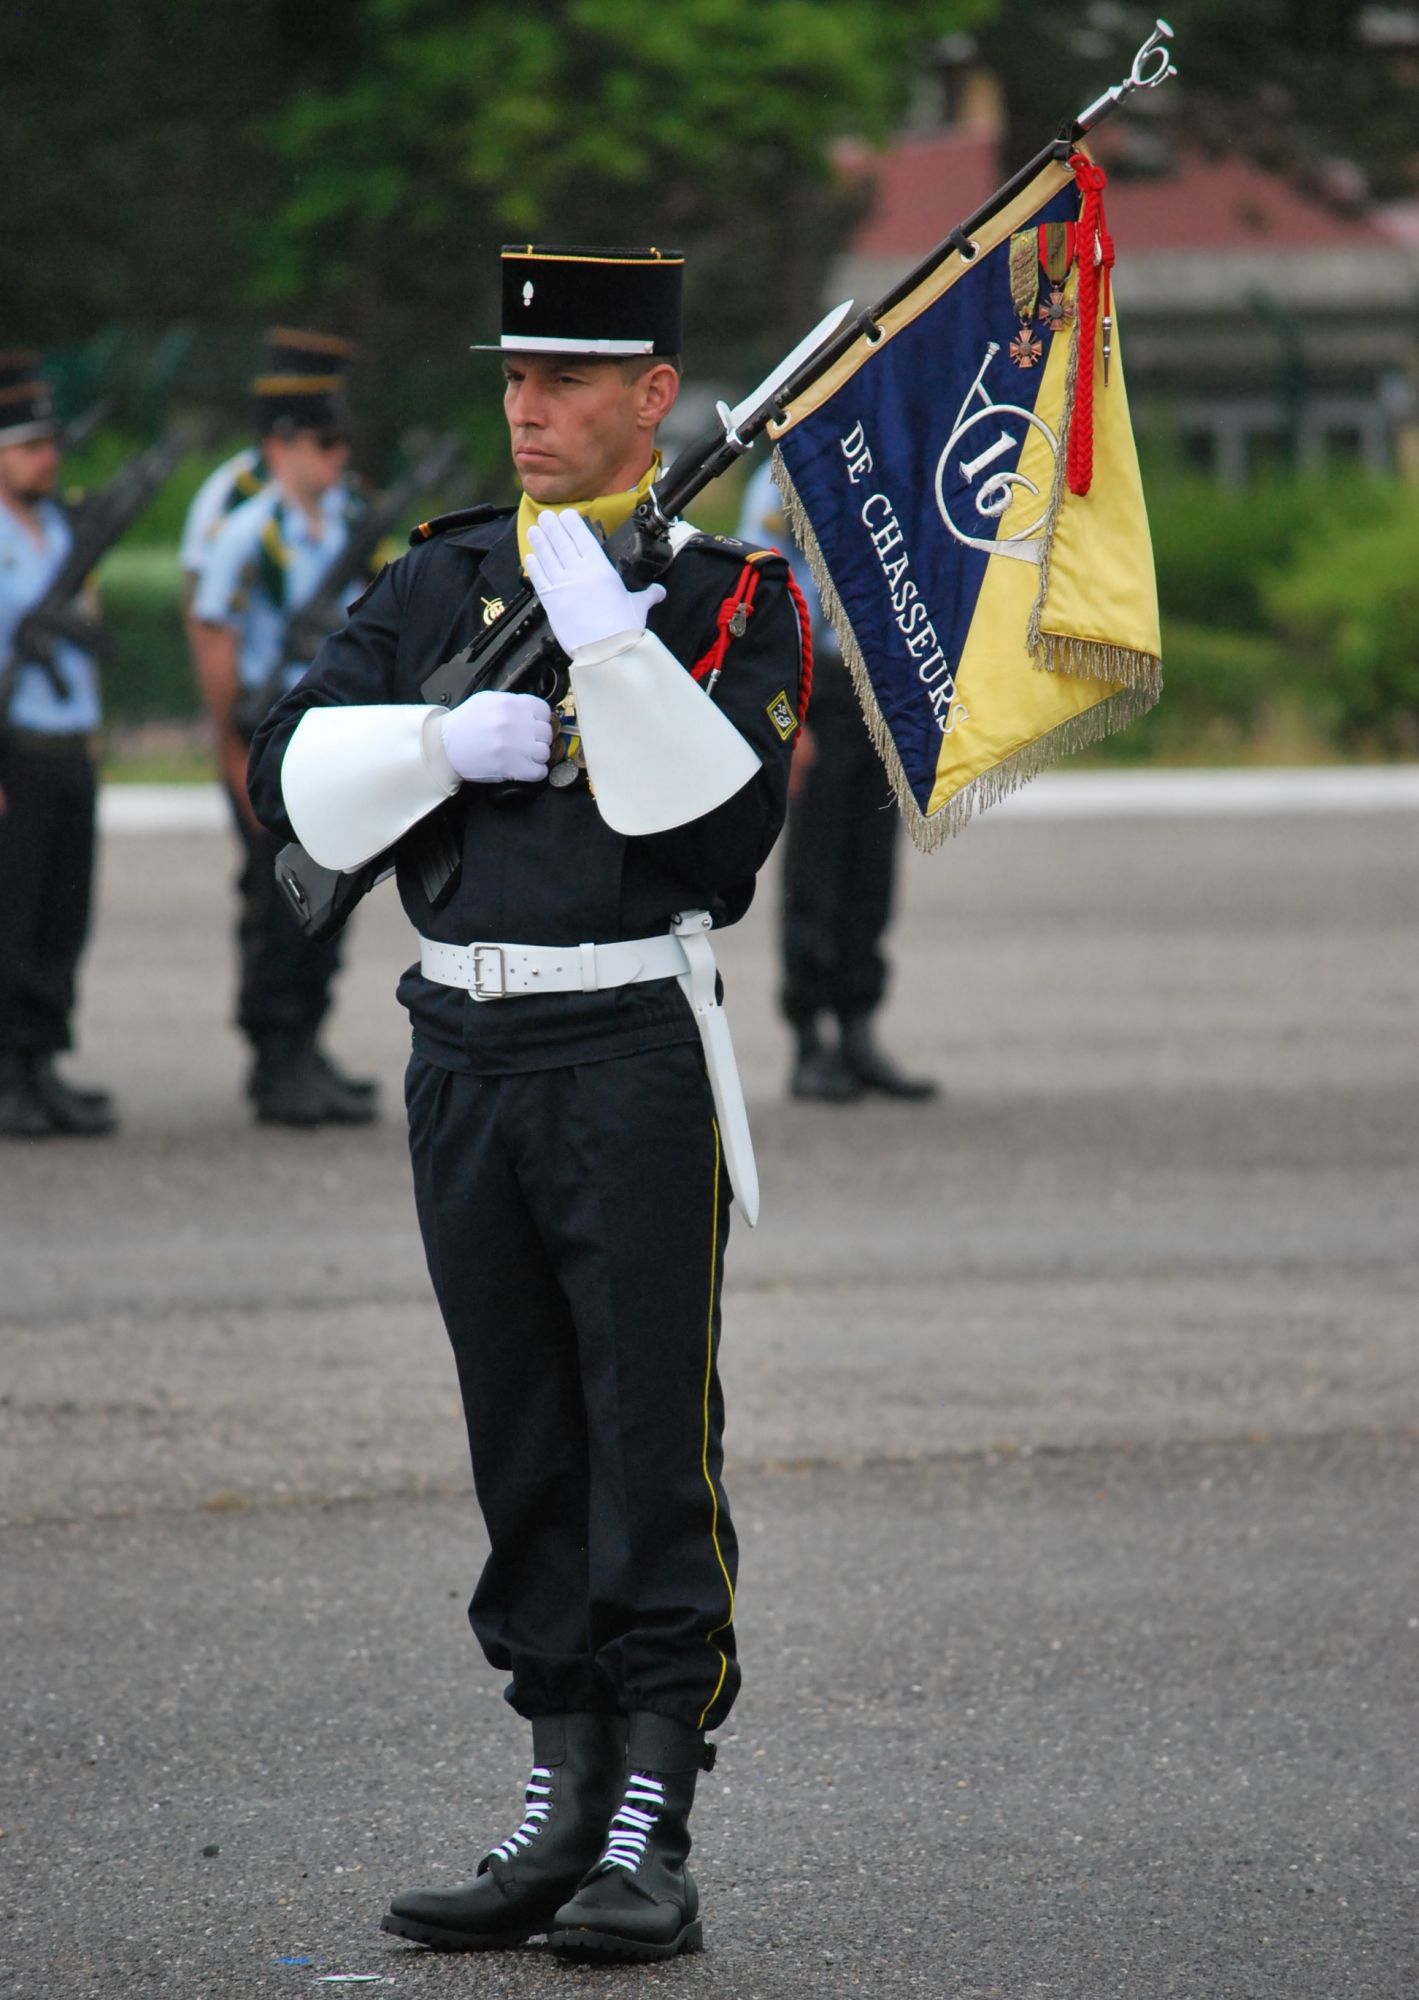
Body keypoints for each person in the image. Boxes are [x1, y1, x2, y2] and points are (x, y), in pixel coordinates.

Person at [247, 245, 808, 1961]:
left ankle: (652, 1804)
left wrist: (611, 654)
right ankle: (558, 1787)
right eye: (511, 376)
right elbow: (292, 773)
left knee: (648, 1439)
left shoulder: (728, 591)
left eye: (566, 380)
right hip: (464, 1059)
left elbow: (709, 838)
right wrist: (437, 745)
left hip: (628, 1056)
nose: (526, 407)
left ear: (653, 397)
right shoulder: (435, 581)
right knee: (522, 1438)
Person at [187, 331, 378, 1126]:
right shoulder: (246, 533)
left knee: (328, 901)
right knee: (276, 907)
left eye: (342, 442)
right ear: (284, 446)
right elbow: (217, 646)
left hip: (331, 748)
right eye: (324, 443)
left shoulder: (342, 525)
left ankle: (307, 1042)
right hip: (274, 743)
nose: (337, 458)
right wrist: (235, 761)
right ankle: (275, 1056)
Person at [738, 455, 938, 1103]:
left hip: (881, 681)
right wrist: (788, 714)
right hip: (816, 681)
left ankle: (857, 1027)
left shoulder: (898, 461)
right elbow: (765, 594)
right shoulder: (789, 478)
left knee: (871, 863)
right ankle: (808, 1040)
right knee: (815, 867)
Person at [0, 351, 117, 1139]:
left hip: (68, 749)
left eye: (52, 444)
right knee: (12, 916)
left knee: (62, 915)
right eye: (31, 445)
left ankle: (43, 1062)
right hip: (15, 750)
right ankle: (8, 1072)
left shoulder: (62, 529)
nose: (50, 458)